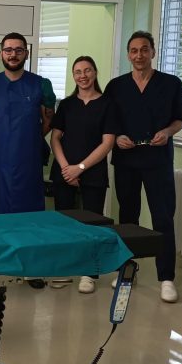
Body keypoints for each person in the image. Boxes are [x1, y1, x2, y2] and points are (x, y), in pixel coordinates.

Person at [104, 31, 182, 303]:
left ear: (153, 52)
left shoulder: (170, 83)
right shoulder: (116, 86)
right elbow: (107, 122)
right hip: (126, 160)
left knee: (162, 218)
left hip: (157, 160)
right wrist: (117, 137)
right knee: (127, 217)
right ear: (128, 55)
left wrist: (167, 132)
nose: (139, 55)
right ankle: (127, 270)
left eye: (144, 49)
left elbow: (180, 119)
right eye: (134, 50)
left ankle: (166, 278)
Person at [50, 55, 118, 294]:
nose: (83, 76)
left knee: (92, 224)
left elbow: (107, 143)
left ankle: (89, 273)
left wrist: (80, 168)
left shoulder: (107, 104)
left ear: (95, 72)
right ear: (73, 76)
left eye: (87, 70)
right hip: (64, 171)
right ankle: (65, 268)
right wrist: (66, 168)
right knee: (65, 223)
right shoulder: (66, 105)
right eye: (78, 72)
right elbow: (55, 138)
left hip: (93, 172)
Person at [0, 32, 56, 215]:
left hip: (29, 159)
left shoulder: (41, 85)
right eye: (8, 50)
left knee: (28, 211)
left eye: (18, 50)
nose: (13, 54)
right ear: (1, 54)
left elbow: (49, 119)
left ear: (26, 54)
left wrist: (30, 137)